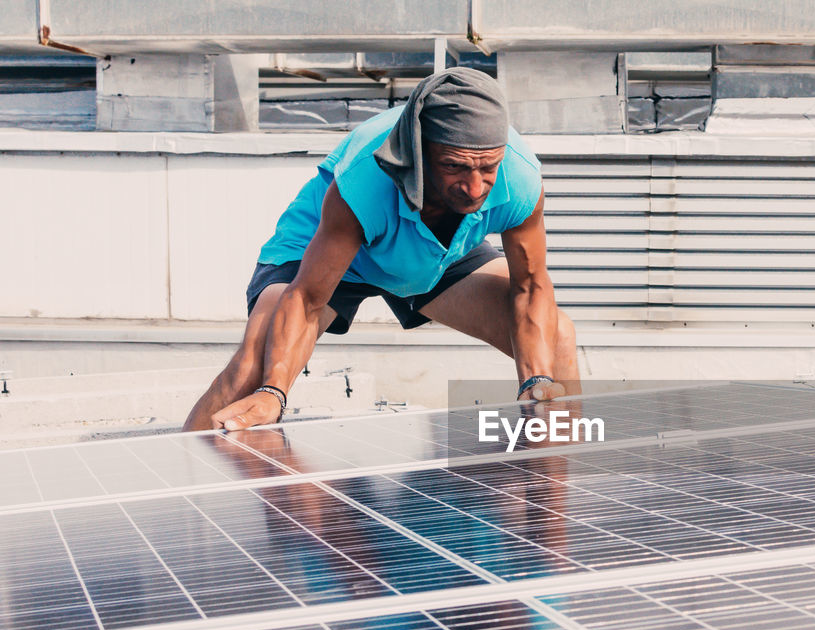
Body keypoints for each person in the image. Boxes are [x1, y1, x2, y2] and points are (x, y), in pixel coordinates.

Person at [184, 67, 579, 432]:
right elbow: (305, 299)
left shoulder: (521, 178)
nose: (475, 188)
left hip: (436, 254)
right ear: (421, 152)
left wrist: (536, 381)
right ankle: (188, 483)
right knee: (253, 368)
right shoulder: (364, 183)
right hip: (334, 253)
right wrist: (274, 391)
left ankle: (557, 492)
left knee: (556, 338)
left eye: (487, 168)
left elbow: (529, 287)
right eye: (455, 167)